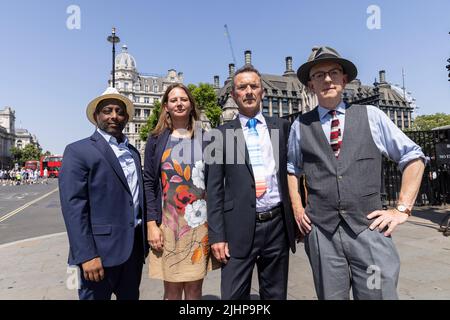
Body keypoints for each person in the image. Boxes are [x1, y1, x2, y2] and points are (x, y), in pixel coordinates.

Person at [288, 46, 426, 299]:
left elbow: (413, 157)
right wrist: (298, 208)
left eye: (334, 72)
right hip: (323, 233)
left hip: (369, 230)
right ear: (310, 85)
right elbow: (292, 168)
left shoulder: (371, 116)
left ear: (345, 79)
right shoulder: (300, 125)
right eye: (319, 75)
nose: (327, 79)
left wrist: (402, 209)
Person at [206, 64, 298, 300]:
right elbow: (214, 190)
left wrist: (296, 216)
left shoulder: (282, 127)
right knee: (233, 296)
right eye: (242, 87)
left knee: (275, 294)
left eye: (253, 86)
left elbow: (294, 173)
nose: (248, 91)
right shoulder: (219, 135)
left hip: (277, 225)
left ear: (262, 92)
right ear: (234, 94)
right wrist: (217, 236)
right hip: (237, 228)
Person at [59, 87, 148, 300]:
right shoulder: (77, 151)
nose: (114, 116)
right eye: (107, 111)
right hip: (98, 254)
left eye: (119, 111)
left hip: (132, 252)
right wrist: (87, 255)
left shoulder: (133, 152)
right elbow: (74, 208)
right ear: (96, 116)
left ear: (126, 117)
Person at [144, 83, 218, 300]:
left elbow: (214, 184)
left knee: (195, 290)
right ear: (166, 106)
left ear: (191, 104)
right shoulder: (156, 139)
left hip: (199, 227)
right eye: (173, 99)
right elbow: (149, 182)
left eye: (183, 99)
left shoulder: (206, 139)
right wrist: (151, 225)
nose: (179, 103)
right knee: (172, 291)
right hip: (169, 226)